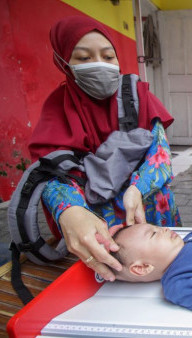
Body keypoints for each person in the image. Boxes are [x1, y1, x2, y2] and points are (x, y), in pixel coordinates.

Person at [28, 16, 181, 282]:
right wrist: (71, 211)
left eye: (108, 57)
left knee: (173, 269)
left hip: (150, 212)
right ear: (64, 62)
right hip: (100, 223)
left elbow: (161, 156)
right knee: (111, 283)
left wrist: (137, 188)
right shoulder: (57, 109)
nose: (99, 64)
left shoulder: (137, 96)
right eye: (84, 58)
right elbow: (54, 175)